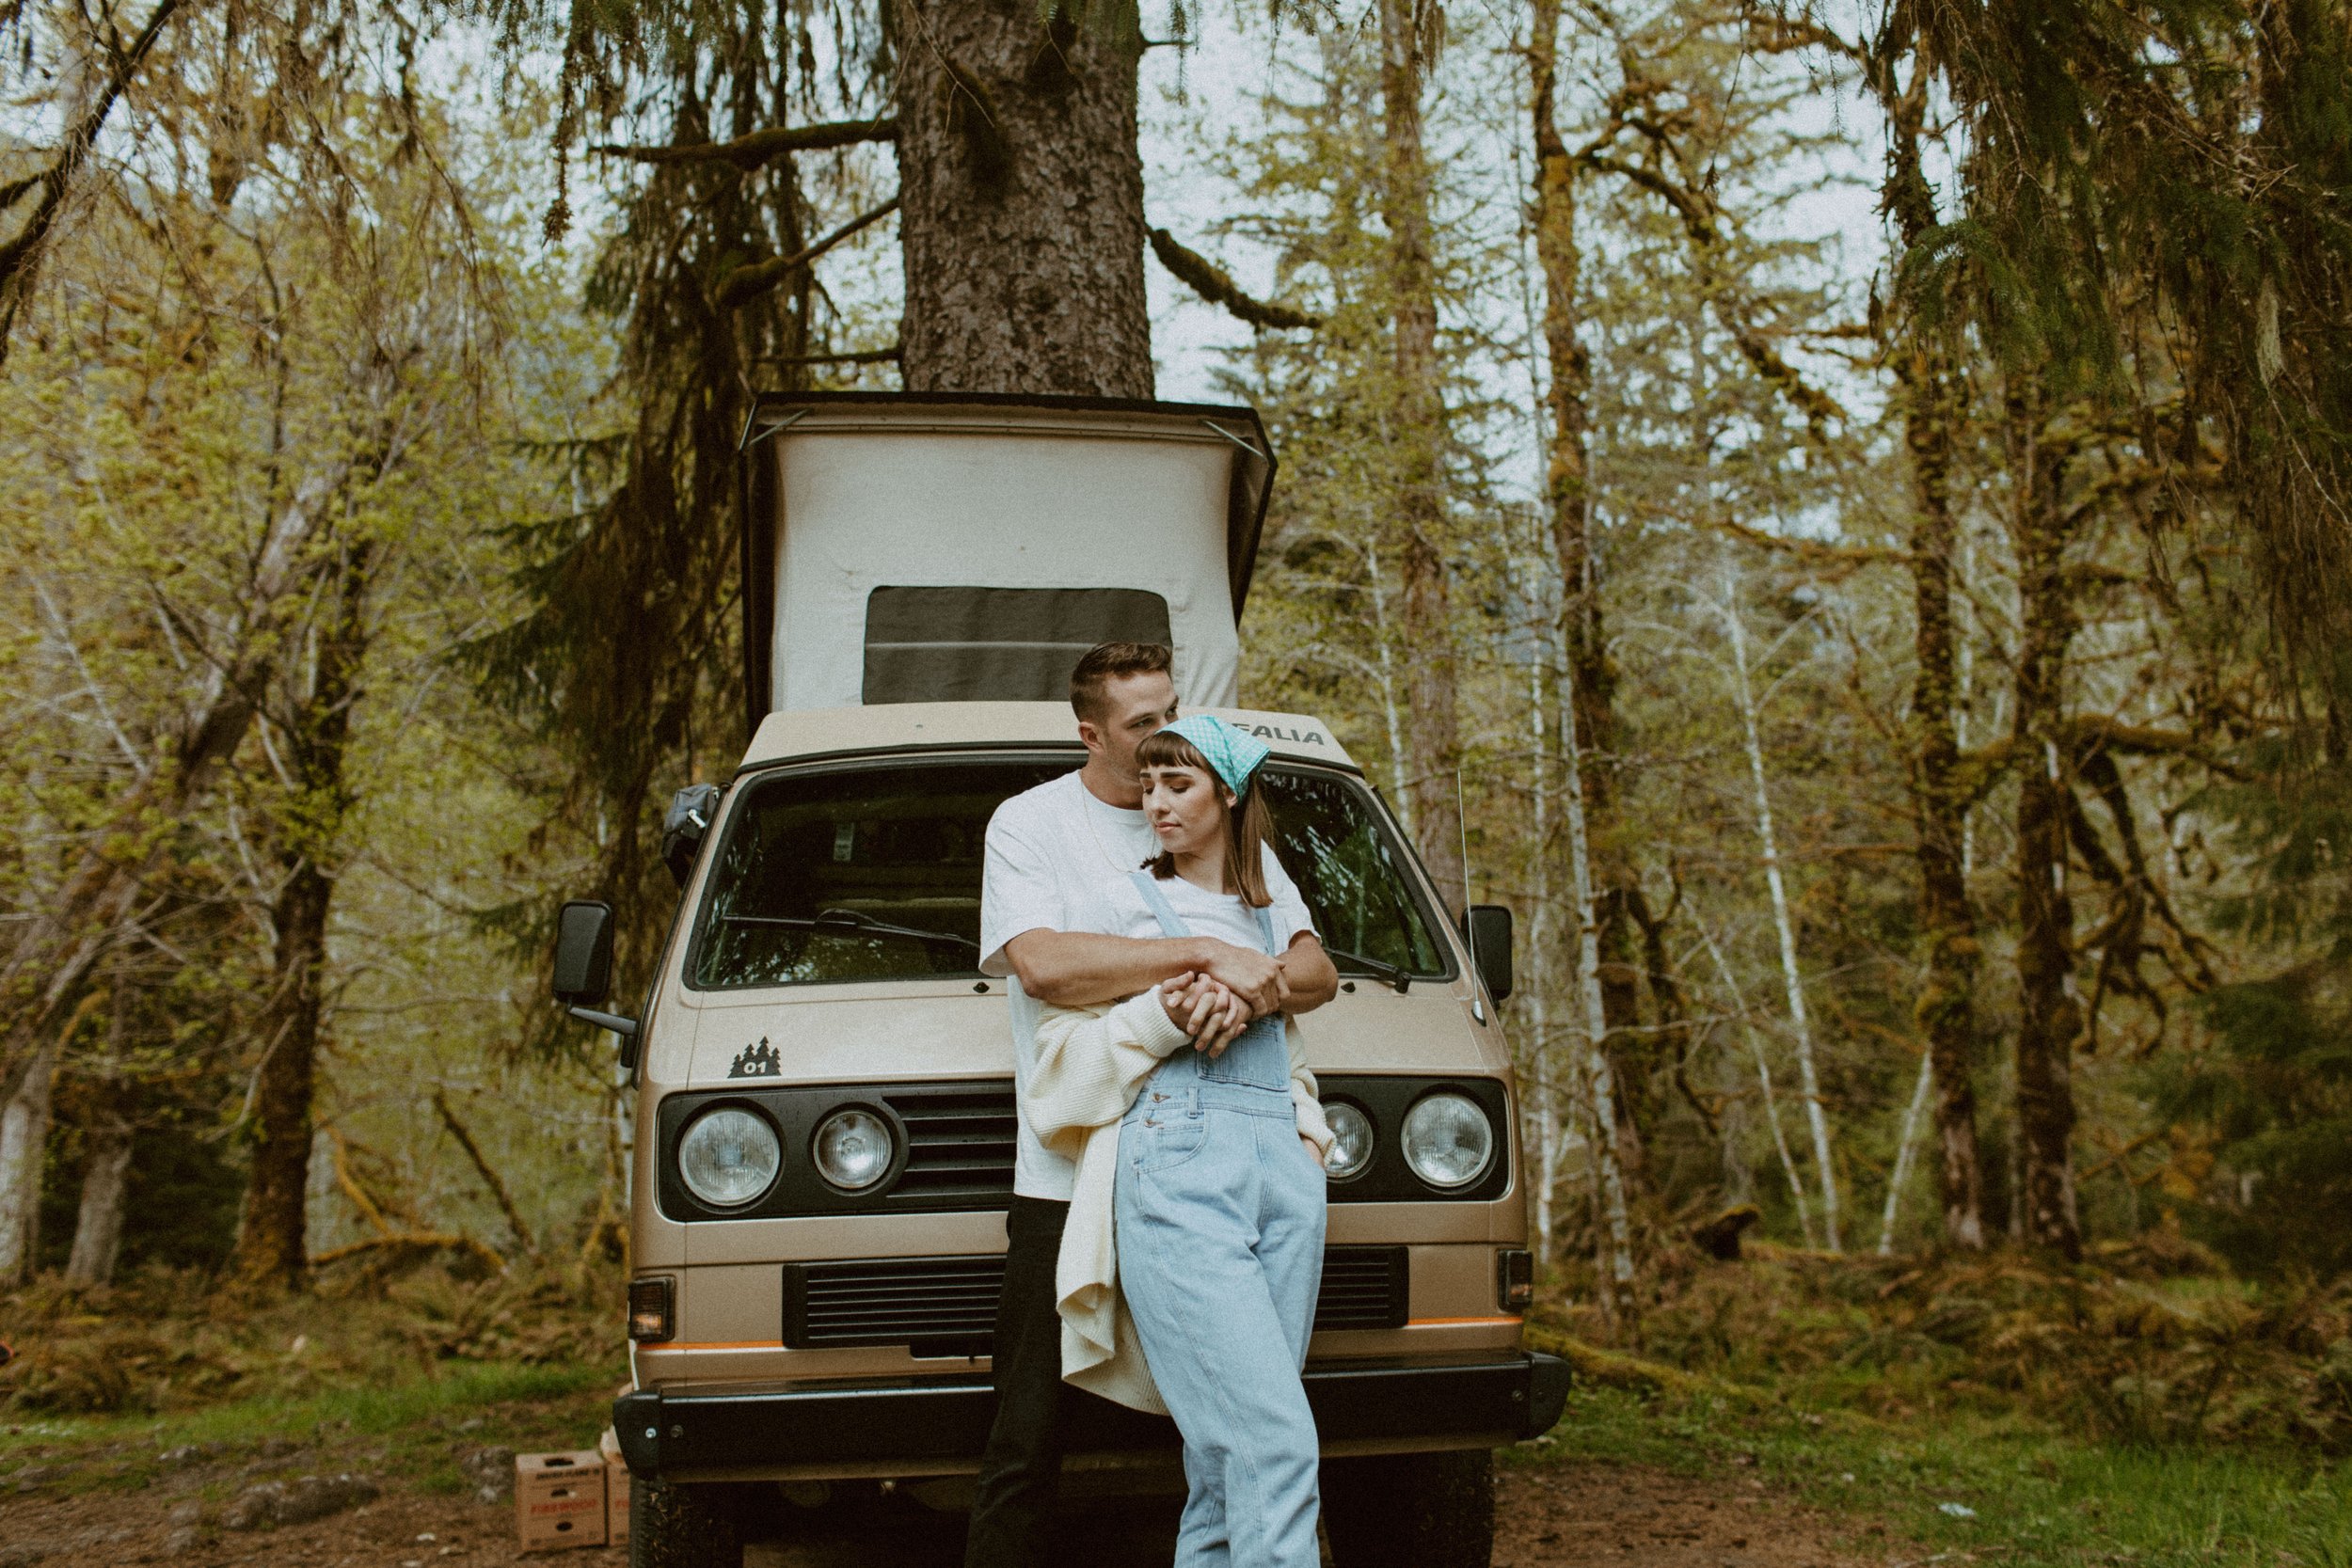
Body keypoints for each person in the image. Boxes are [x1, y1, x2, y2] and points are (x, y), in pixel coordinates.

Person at [967, 645, 1339, 1568]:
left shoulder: (1248, 867)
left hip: (1263, 1156)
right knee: (1030, 1436)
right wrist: (1201, 966)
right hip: (1088, 1167)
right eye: (1142, 732)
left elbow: (1307, 965)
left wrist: (1253, 988)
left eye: (1173, 720)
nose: (1159, 757)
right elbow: (1046, 964)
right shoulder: (1038, 828)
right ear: (1091, 734)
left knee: (1230, 1448)